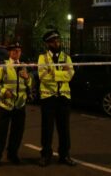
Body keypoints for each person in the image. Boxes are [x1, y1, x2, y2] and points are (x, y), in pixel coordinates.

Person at [0, 42, 32, 169]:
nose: (16, 52)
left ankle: (12, 154)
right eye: (13, 50)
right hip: (6, 105)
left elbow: (30, 85)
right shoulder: (3, 66)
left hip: (20, 105)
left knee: (17, 133)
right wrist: (4, 92)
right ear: (9, 52)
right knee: (1, 133)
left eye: (18, 50)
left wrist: (27, 77)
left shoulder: (24, 66)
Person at [38, 30, 76, 167]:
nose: (57, 43)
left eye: (58, 40)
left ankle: (64, 155)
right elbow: (43, 77)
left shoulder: (66, 57)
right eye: (54, 41)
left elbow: (70, 75)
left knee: (64, 129)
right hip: (48, 98)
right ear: (48, 43)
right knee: (47, 129)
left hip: (64, 98)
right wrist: (61, 73)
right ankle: (45, 155)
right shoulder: (43, 58)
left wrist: (53, 72)